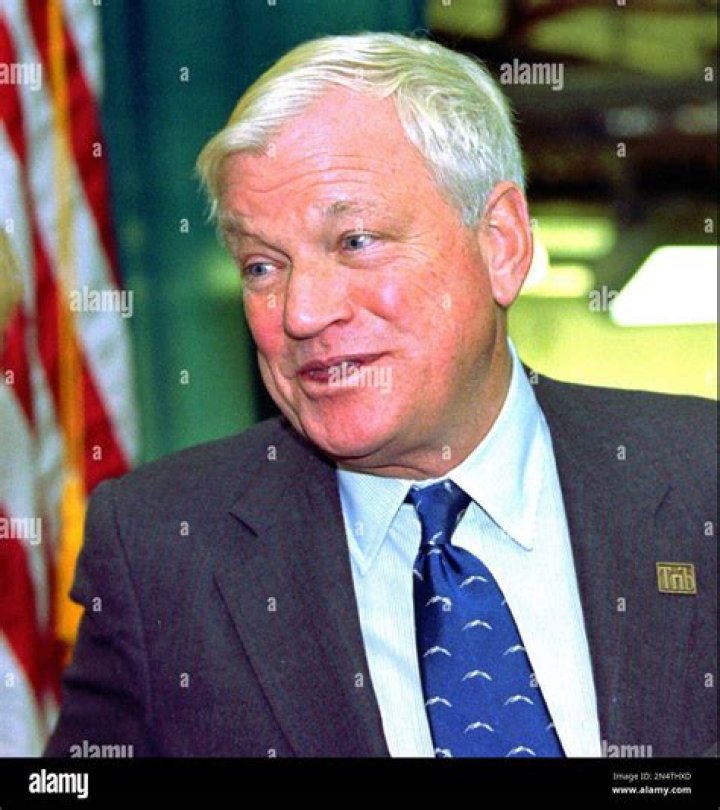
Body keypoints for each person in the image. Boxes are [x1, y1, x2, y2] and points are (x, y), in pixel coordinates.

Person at [46, 32, 716, 758]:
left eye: (355, 242)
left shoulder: (699, 478)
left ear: (501, 243)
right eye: (263, 266)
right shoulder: (161, 551)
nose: (302, 313)